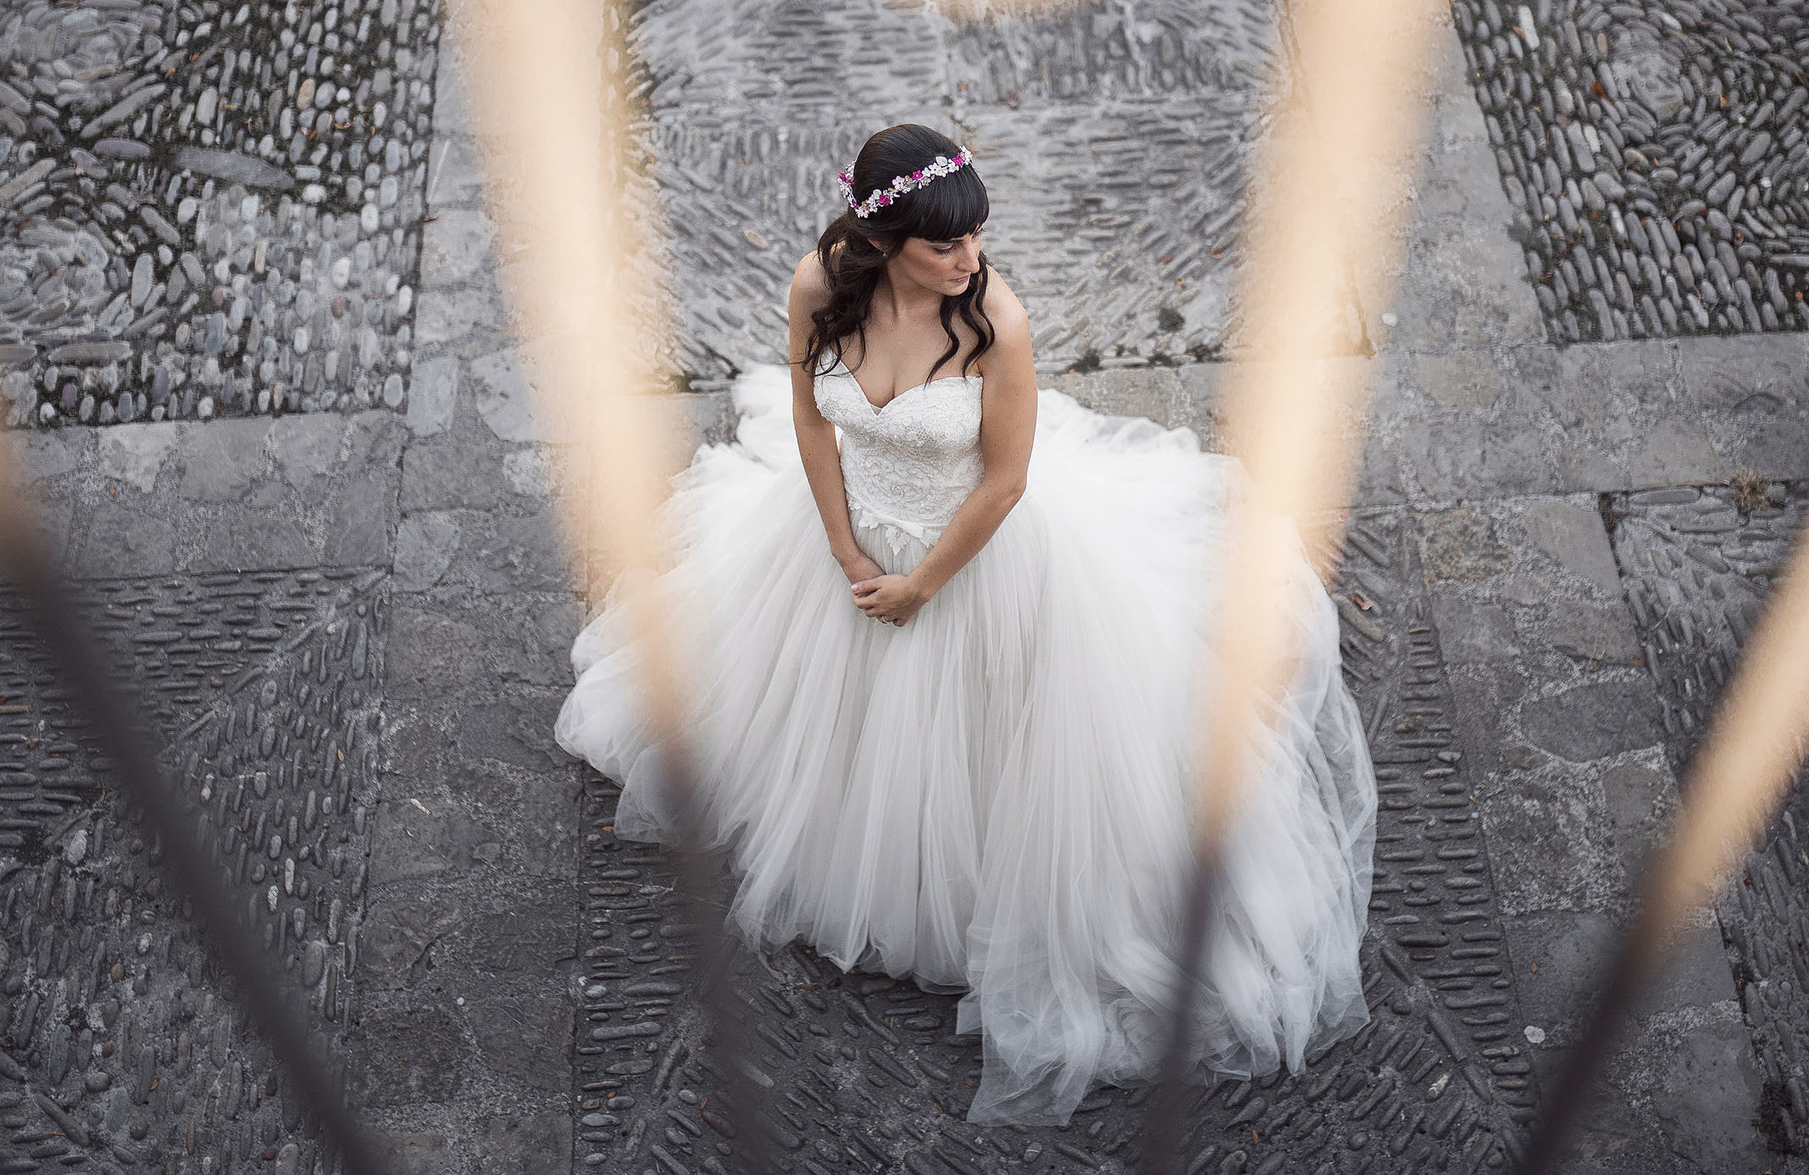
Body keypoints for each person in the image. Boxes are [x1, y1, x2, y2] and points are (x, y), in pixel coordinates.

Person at [554, 122, 1377, 1124]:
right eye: (946, 245)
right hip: (848, 535)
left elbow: (1004, 482)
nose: (969, 260)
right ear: (880, 239)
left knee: (994, 746)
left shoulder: (995, 322)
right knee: (822, 723)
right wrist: (845, 548)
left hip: (976, 560)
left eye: (977, 238)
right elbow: (815, 420)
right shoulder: (820, 285)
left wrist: (920, 586)